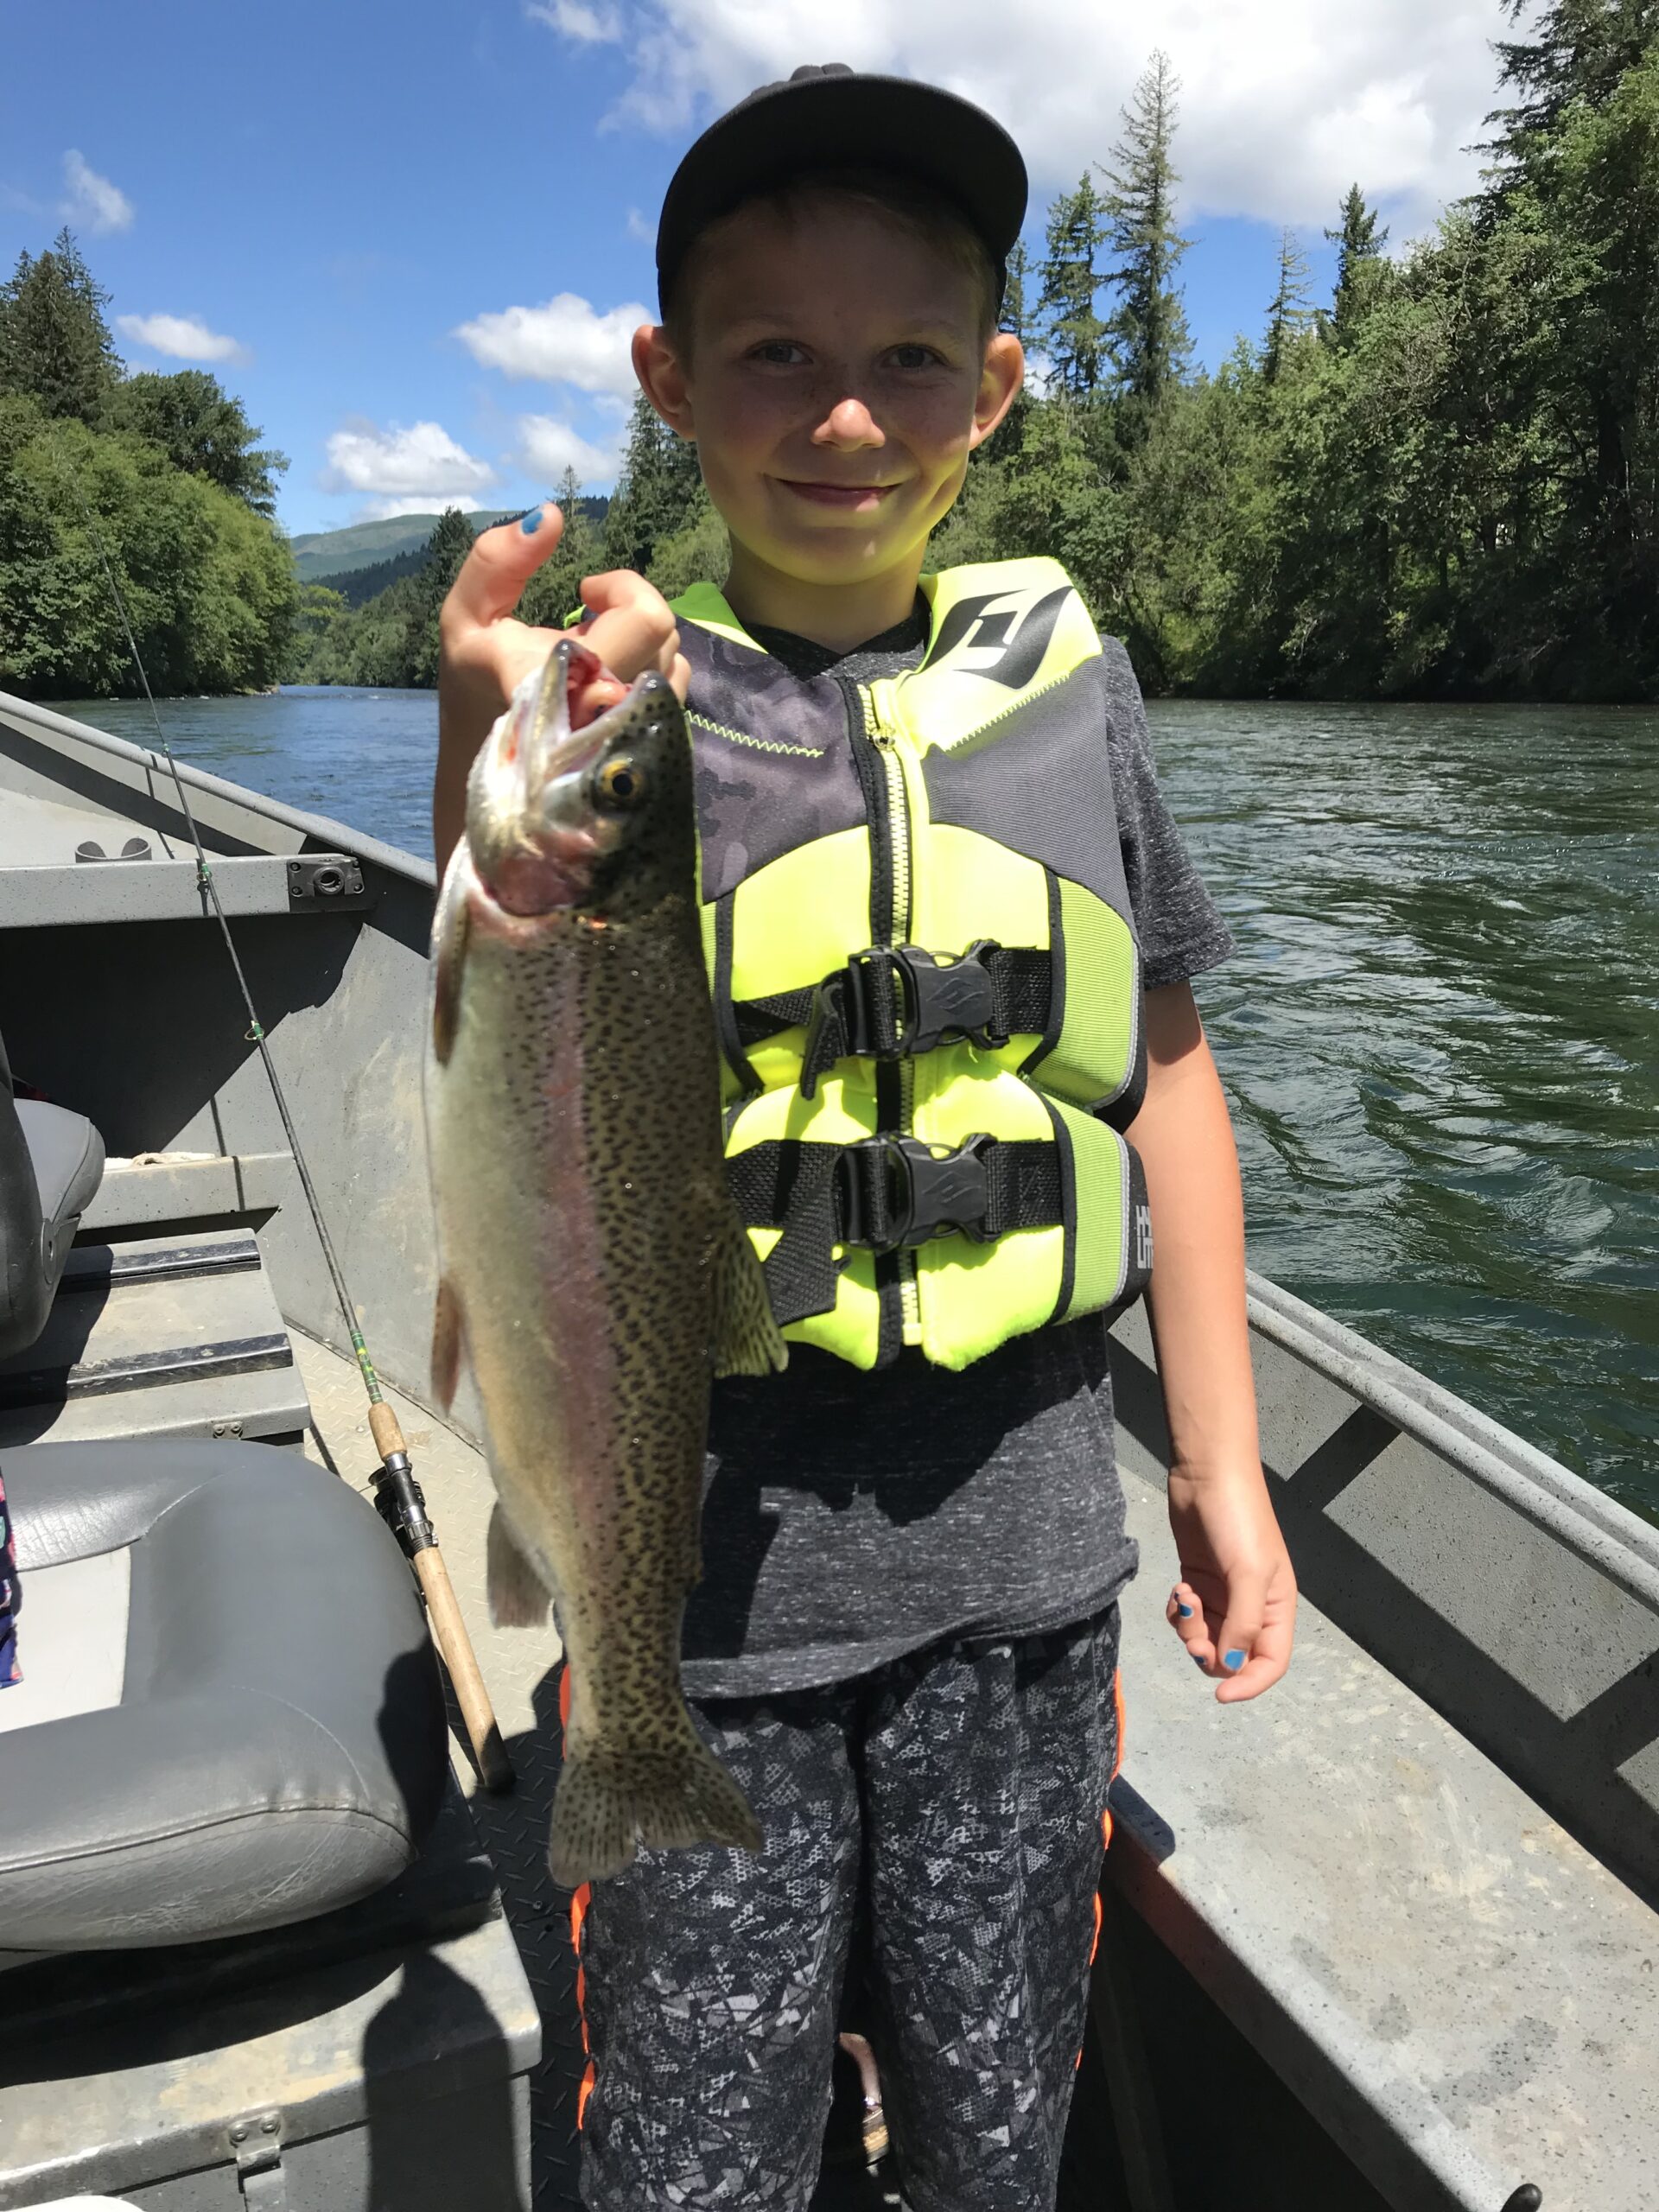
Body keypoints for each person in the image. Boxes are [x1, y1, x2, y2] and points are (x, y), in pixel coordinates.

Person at [433, 63, 1297, 2212]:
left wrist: (1220, 1454)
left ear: (994, 388)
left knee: (1000, 2127)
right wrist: (488, 712)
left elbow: (1165, 1073)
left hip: (1025, 1569)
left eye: (909, 358)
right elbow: (514, 979)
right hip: (703, 1581)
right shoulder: (635, 703)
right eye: (777, 358)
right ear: (671, 382)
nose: (844, 418)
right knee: (702, 2156)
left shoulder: (1069, 697)